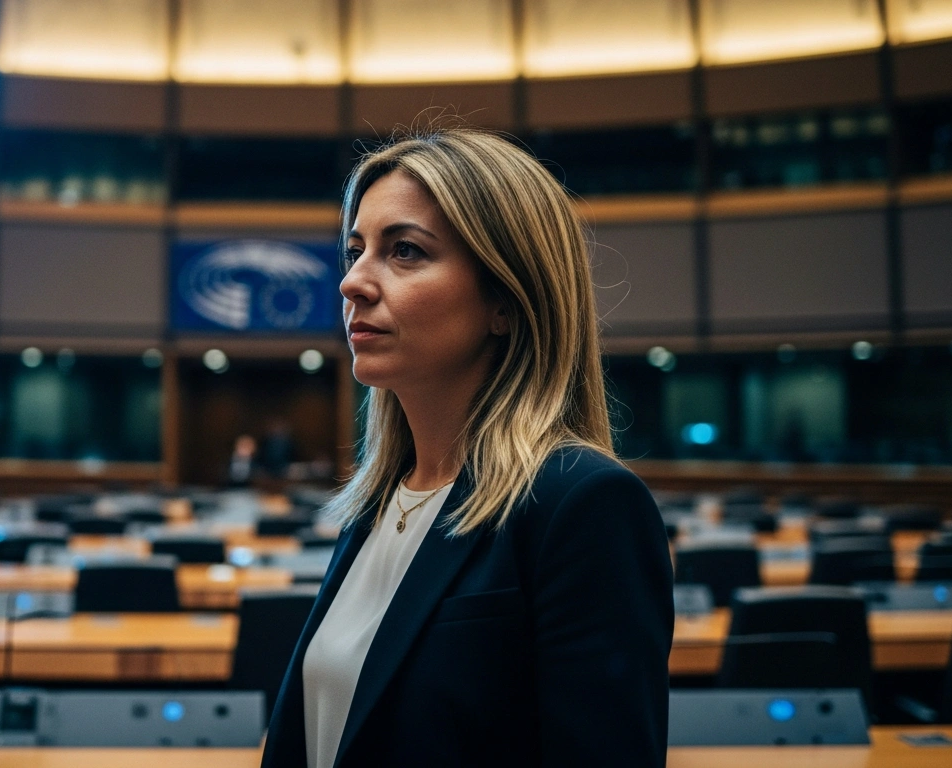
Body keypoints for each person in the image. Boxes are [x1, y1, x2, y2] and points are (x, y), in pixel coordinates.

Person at [260, 127, 674, 768]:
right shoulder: (381, 503)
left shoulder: (583, 504)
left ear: (506, 299)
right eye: (355, 251)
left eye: (404, 251)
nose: (352, 282)